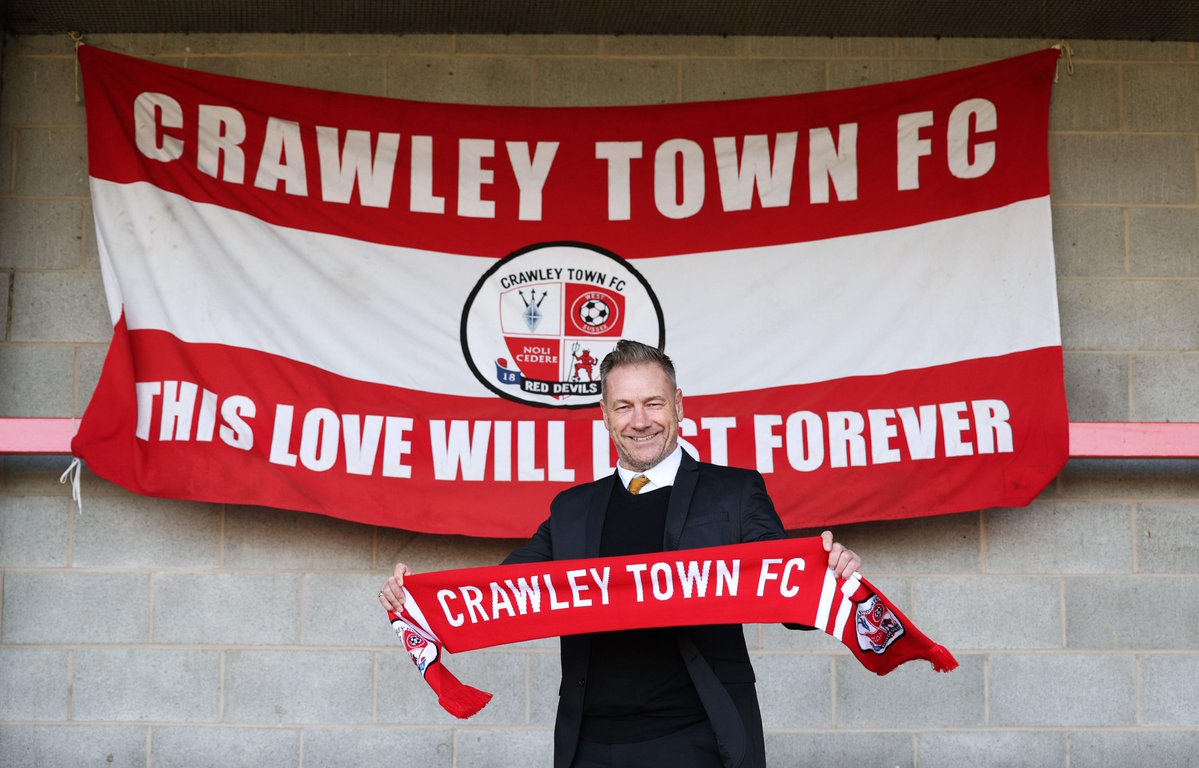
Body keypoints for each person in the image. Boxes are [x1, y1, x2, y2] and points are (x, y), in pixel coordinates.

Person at [380, 339, 861, 768]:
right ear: (605, 415)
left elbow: (787, 589)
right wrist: (421, 601)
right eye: (624, 406)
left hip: (697, 740)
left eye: (653, 403)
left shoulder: (733, 492)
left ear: (678, 406)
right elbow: (503, 590)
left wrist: (830, 572)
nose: (640, 421)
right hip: (589, 744)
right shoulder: (572, 508)